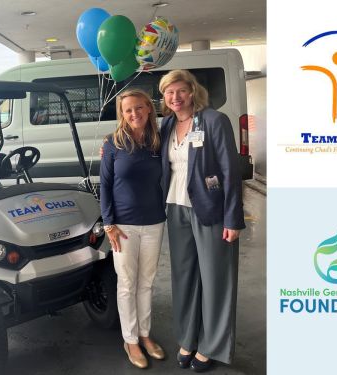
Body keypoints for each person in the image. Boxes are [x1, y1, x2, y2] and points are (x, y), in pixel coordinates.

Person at [158, 69, 245, 372]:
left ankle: (212, 345)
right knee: (184, 278)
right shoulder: (168, 124)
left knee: (215, 279)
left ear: (193, 91)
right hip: (175, 207)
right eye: (169, 92)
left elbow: (231, 173)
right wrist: (110, 145)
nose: (175, 97)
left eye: (181, 90)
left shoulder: (213, 120)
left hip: (210, 209)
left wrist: (232, 219)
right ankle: (188, 338)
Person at [100, 89, 166, 369]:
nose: (134, 114)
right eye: (128, 110)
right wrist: (108, 223)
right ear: (122, 114)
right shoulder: (113, 144)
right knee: (127, 284)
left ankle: (145, 334)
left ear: (149, 109)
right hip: (123, 226)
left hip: (154, 222)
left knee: (147, 282)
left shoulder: (158, 141)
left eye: (139, 108)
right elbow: (104, 185)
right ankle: (130, 340)